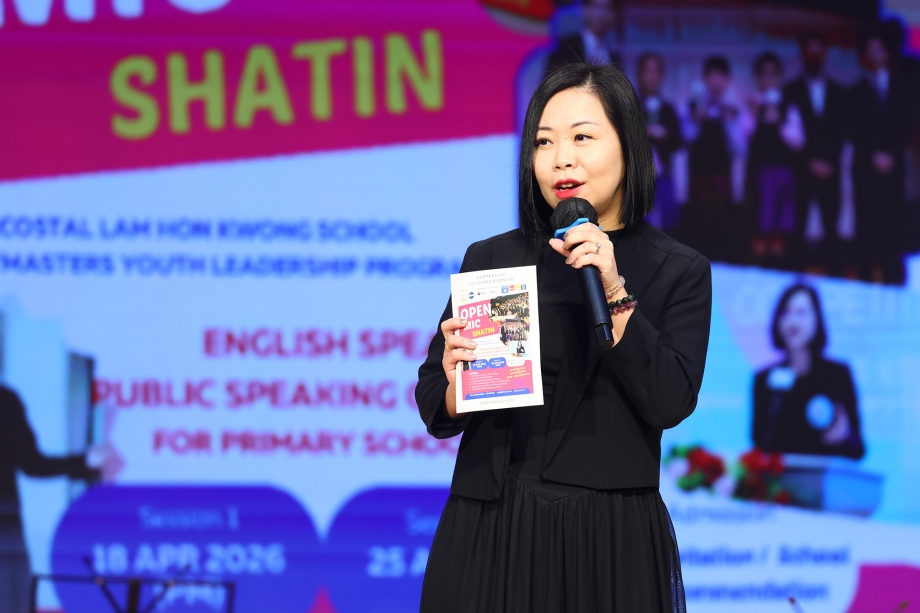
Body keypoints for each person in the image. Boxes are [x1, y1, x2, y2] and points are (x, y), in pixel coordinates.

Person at [416, 63, 712, 612]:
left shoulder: (678, 268)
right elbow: (434, 399)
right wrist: (457, 384)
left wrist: (614, 288)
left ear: (628, 146)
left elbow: (671, 400)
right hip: (491, 525)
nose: (561, 159)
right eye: (544, 142)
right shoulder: (493, 257)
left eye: (582, 138)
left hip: (608, 536)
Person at [0, 385, 121, 613]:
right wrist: (86, 462)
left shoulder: (5, 400)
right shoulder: (5, 399)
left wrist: (84, 462)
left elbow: (32, 464)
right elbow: (33, 464)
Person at [752, 284, 864, 459]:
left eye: (801, 313)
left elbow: (858, 449)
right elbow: (759, 442)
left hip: (826, 473)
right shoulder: (765, 379)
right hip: (780, 475)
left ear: (817, 319)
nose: (793, 321)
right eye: (786, 313)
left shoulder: (837, 375)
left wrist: (845, 437)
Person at [848, 24, 913, 284]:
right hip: (865, 170)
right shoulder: (856, 91)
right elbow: (853, 129)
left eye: (879, 47)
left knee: (893, 230)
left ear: (888, 50)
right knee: (865, 231)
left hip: (894, 170)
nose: (874, 53)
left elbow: (907, 124)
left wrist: (891, 154)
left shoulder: (904, 88)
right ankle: (864, 283)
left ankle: (893, 284)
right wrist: (872, 155)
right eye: (869, 48)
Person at [783, 31, 848, 270]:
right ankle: (794, 281)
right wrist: (809, 162)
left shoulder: (839, 92)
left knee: (832, 229)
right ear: (803, 54)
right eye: (809, 50)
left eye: (818, 50)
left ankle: (835, 280)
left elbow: (842, 133)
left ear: (825, 54)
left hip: (831, 171)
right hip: (801, 172)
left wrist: (828, 163)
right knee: (796, 231)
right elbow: (788, 134)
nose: (814, 55)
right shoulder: (790, 90)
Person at [684, 55, 744, 262]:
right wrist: (696, 120)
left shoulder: (732, 109)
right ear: (705, 78)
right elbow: (686, 138)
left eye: (720, 76)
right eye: (712, 76)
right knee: (700, 219)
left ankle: (723, 262)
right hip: (700, 173)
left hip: (722, 174)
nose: (715, 81)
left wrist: (729, 120)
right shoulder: (693, 105)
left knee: (723, 218)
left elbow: (739, 146)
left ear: (727, 80)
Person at [744, 52, 802, 263]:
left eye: (772, 74)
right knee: (759, 226)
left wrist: (779, 121)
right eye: (764, 74)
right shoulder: (752, 105)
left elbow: (798, 142)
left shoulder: (788, 106)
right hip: (759, 172)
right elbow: (740, 139)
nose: (768, 79)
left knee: (781, 227)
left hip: (783, 172)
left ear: (779, 77)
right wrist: (753, 113)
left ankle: (779, 265)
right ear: (758, 77)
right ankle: (759, 265)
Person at [636, 52, 684, 231]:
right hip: (639, 175)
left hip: (664, 172)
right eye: (647, 71)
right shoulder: (631, 106)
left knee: (668, 221)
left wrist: (664, 136)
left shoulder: (668, 109)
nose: (651, 76)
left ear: (661, 76)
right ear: (640, 74)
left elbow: (678, 142)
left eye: (655, 71)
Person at [545, 0, 621, 76]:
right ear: (585, 9)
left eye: (608, 8)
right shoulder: (565, 46)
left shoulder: (615, 56)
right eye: (598, 7)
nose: (602, 14)